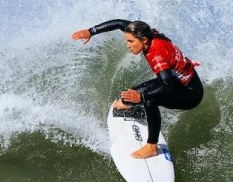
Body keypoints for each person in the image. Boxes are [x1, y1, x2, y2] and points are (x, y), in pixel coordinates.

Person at [71, 19, 203, 159]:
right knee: (126, 98)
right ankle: (140, 112)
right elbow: (119, 23)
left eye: (130, 41)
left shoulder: (156, 54)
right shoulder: (147, 35)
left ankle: (152, 146)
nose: (127, 45)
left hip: (190, 94)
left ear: (144, 40)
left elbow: (166, 85)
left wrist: (142, 97)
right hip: (177, 82)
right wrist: (91, 31)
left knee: (149, 100)